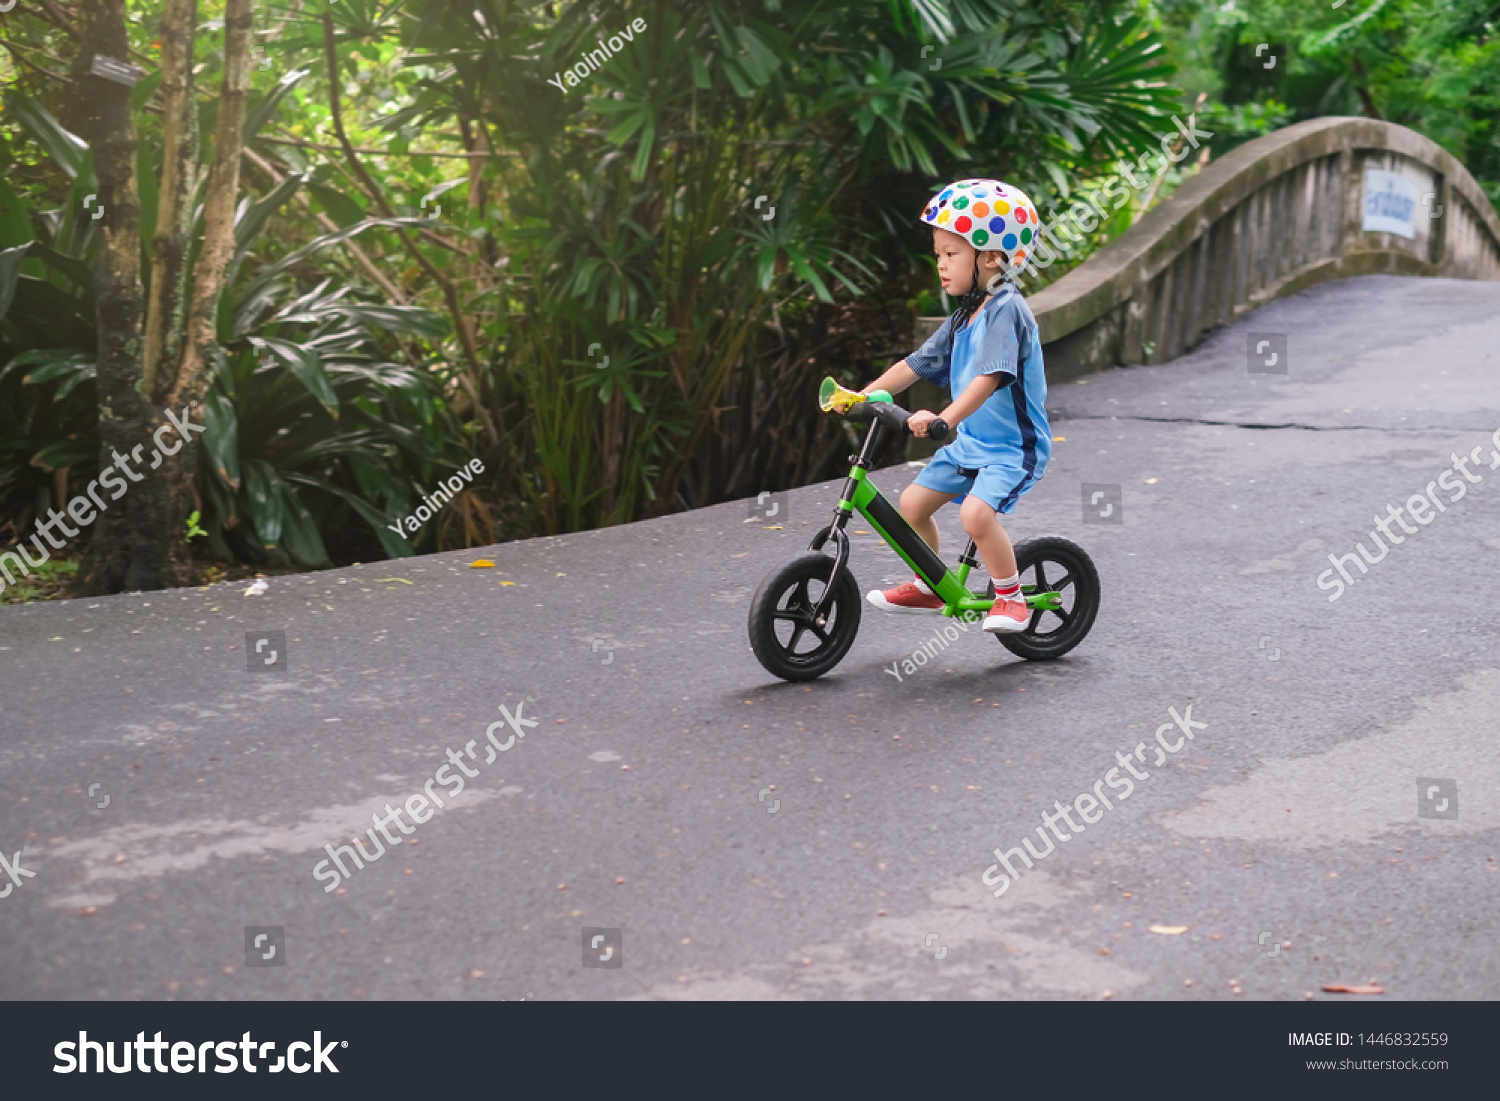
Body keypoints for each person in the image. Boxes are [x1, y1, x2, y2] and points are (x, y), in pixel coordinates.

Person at [860, 178, 1051, 633]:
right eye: (939, 254)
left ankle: (1011, 597)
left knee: (975, 515)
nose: (941, 265)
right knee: (912, 504)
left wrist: (945, 419)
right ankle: (928, 585)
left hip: (1013, 448)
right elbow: (917, 364)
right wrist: (863, 396)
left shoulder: (1008, 310)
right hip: (971, 444)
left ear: (988, 257)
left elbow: (990, 377)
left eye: (952, 254)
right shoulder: (965, 315)